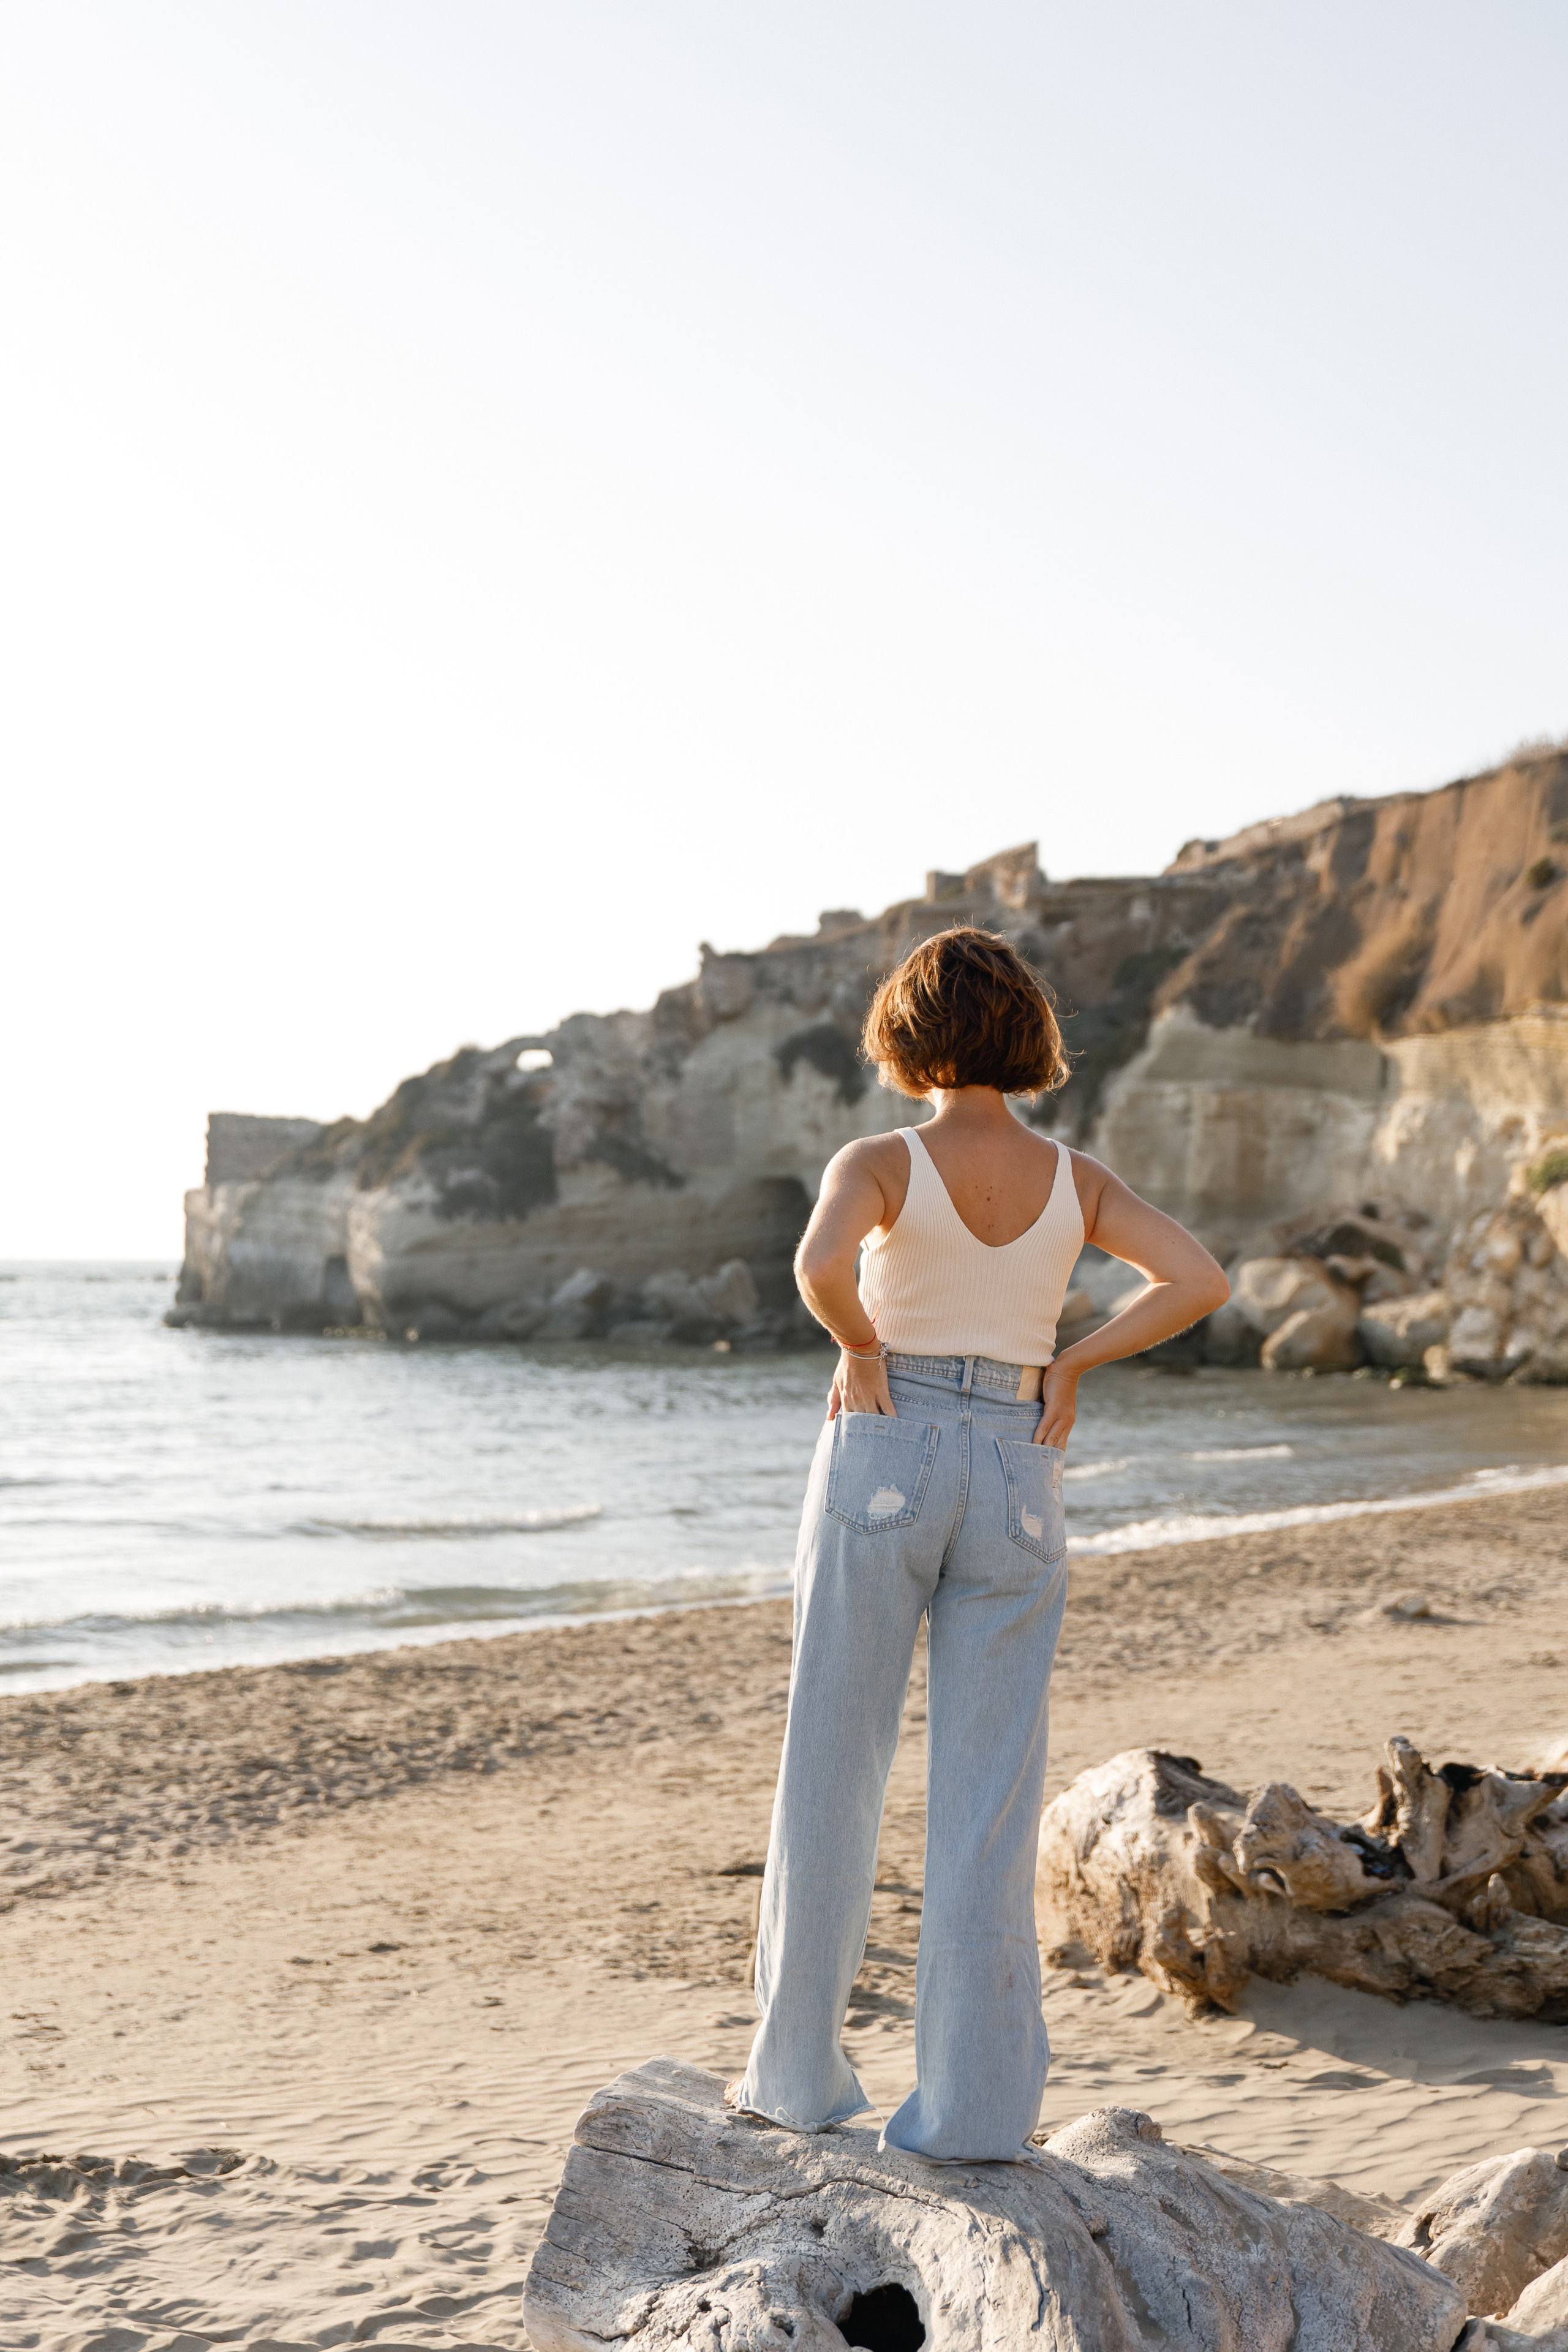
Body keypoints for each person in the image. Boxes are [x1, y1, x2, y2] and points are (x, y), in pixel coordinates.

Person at [729, 925, 1228, 2163]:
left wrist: (856, 1345)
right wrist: (1069, 1360)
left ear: (907, 1037)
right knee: (989, 1802)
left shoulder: (881, 1158)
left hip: (885, 1438)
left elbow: (817, 1266)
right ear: (1026, 1039)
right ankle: (968, 2119)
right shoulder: (1075, 1180)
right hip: (1016, 1458)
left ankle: (794, 2085)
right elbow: (1196, 1279)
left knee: (830, 1774)